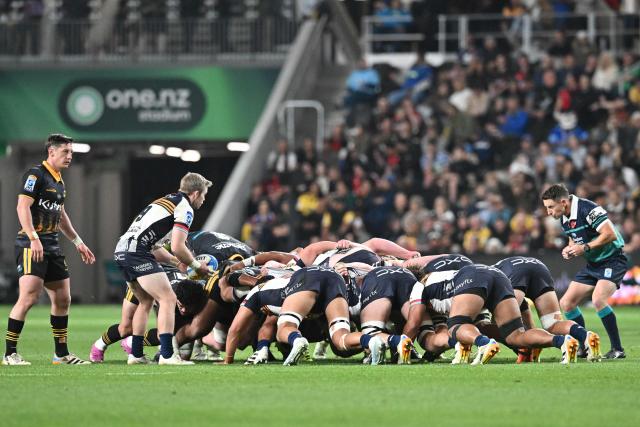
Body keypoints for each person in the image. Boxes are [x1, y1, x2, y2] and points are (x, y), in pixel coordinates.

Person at [3, 133, 95, 365]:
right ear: (51, 152)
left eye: (71, 152)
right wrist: (34, 237)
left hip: (52, 246)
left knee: (63, 299)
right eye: (65, 152)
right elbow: (22, 206)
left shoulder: (59, 180)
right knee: (29, 297)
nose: (70, 156)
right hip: (30, 244)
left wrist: (78, 242)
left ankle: (61, 354)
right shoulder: (36, 175)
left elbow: (61, 215)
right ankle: (9, 353)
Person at [114, 172, 212, 365]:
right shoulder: (185, 208)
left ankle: (136, 354)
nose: (203, 200)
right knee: (168, 298)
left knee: (145, 302)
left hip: (122, 250)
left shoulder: (164, 201)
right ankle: (167, 355)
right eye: (204, 195)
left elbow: (156, 246)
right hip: (137, 253)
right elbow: (177, 246)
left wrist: (177, 263)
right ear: (195, 193)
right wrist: (196, 265)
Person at [542, 184, 627, 359]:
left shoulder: (589, 209)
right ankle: (584, 345)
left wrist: (585, 247)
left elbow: (609, 234)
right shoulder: (564, 217)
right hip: (593, 264)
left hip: (613, 260)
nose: (548, 212)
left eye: (550, 207)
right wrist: (570, 248)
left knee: (598, 299)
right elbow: (574, 238)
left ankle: (618, 349)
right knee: (566, 303)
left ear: (563, 202)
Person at [494, 256, 602, 362]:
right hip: (539, 266)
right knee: (553, 324)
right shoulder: (488, 273)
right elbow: (522, 305)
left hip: (514, 272)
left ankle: (533, 349)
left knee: (508, 330)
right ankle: (585, 335)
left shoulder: (482, 282)